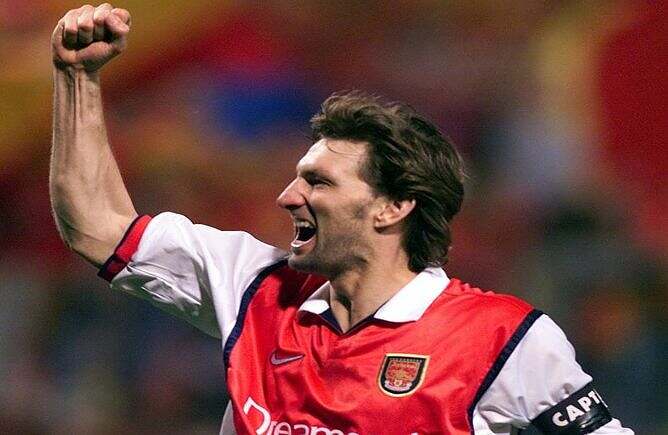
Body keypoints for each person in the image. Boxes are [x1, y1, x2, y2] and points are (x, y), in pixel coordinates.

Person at [50, 4, 634, 435]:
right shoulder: (251, 284)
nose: (288, 197)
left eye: (318, 182)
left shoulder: (503, 338)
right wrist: (77, 78)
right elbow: (97, 225)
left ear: (392, 206)